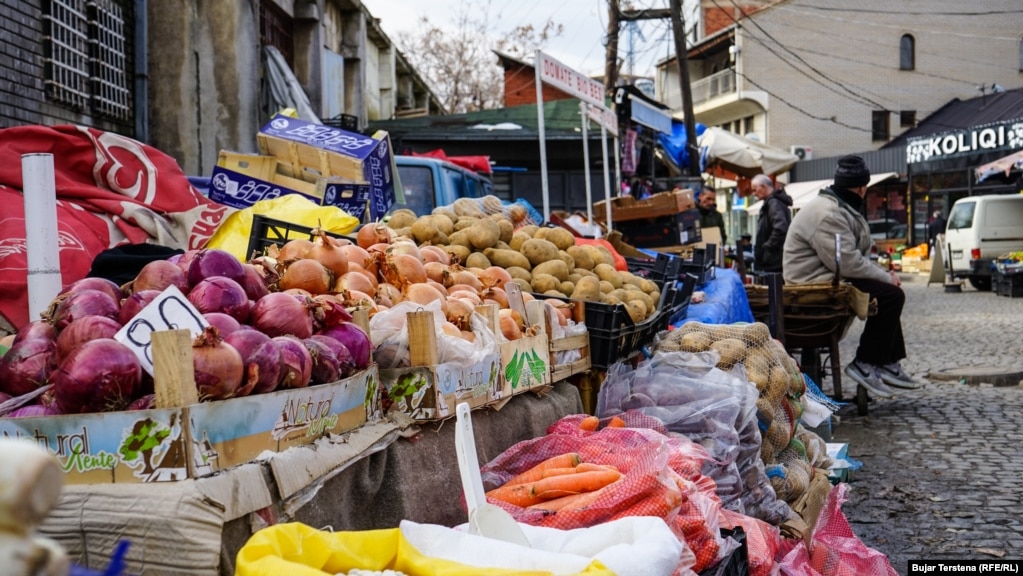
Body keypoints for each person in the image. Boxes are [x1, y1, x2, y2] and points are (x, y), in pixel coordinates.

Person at [782, 155, 919, 399]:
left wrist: (882, 276)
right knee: (890, 294)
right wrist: (886, 277)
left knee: (888, 295)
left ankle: (887, 360)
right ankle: (865, 362)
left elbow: (850, 258)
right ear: (861, 187)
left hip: (825, 277)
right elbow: (847, 262)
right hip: (813, 284)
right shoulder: (828, 212)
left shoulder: (838, 206)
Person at [751, 174, 792, 273]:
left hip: (773, 262)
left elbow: (781, 228)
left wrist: (767, 248)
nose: (754, 194)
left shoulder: (773, 203)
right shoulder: (773, 202)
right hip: (775, 260)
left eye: (755, 190)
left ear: (763, 187)